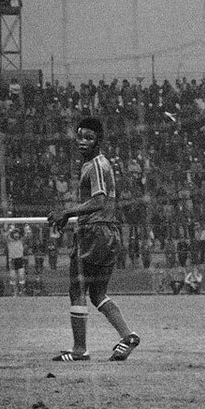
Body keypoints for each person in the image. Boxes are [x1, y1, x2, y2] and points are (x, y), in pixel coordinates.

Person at [47, 117, 140, 362]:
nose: (82, 142)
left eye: (89, 137)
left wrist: (67, 213)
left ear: (99, 140)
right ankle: (128, 336)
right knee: (98, 293)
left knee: (77, 289)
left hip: (95, 233)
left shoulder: (96, 165)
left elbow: (99, 200)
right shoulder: (95, 164)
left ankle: (80, 350)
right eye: (79, 136)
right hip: (107, 233)